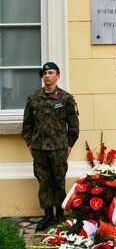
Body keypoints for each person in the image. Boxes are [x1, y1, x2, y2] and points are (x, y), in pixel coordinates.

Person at [21, 62, 79, 231]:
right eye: (44, 73)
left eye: (50, 72)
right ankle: (48, 215)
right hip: (39, 149)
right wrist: (30, 143)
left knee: (58, 181)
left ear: (58, 76)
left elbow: (73, 125)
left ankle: (60, 216)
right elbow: (27, 124)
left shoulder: (66, 98)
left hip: (59, 148)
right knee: (44, 182)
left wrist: (69, 145)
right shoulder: (33, 98)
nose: (47, 75)